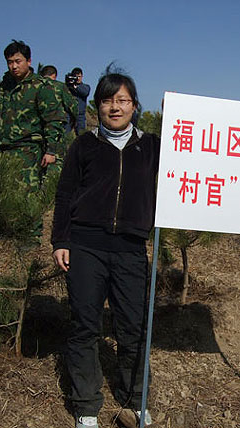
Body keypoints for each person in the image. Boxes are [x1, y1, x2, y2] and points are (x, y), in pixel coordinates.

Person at [51, 71, 159, 428]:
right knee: (85, 325)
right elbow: (65, 194)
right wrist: (60, 241)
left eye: (123, 100)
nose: (115, 107)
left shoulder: (151, 147)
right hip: (86, 247)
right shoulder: (84, 145)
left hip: (130, 248)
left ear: (134, 105)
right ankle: (86, 405)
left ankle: (135, 398)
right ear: (98, 105)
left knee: (133, 326)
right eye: (108, 100)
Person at [0, 40, 66, 189]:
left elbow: (54, 120)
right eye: (9, 62)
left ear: (28, 61)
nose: (13, 66)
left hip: (29, 153)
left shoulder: (41, 87)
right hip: (5, 151)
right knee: (5, 199)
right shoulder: (6, 86)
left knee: (27, 201)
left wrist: (51, 151)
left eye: (18, 61)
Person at [40, 64, 78, 137]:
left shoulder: (34, 86)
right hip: (56, 125)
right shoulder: (60, 86)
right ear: (54, 75)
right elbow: (72, 106)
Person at [67, 67, 90, 135]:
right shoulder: (67, 87)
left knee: (81, 134)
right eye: (76, 76)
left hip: (80, 114)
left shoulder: (85, 86)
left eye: (79, 76)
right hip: (69, 114)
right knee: (66, 134)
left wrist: (76, 87)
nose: (78, 78)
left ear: (82, 76)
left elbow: (85, 92)